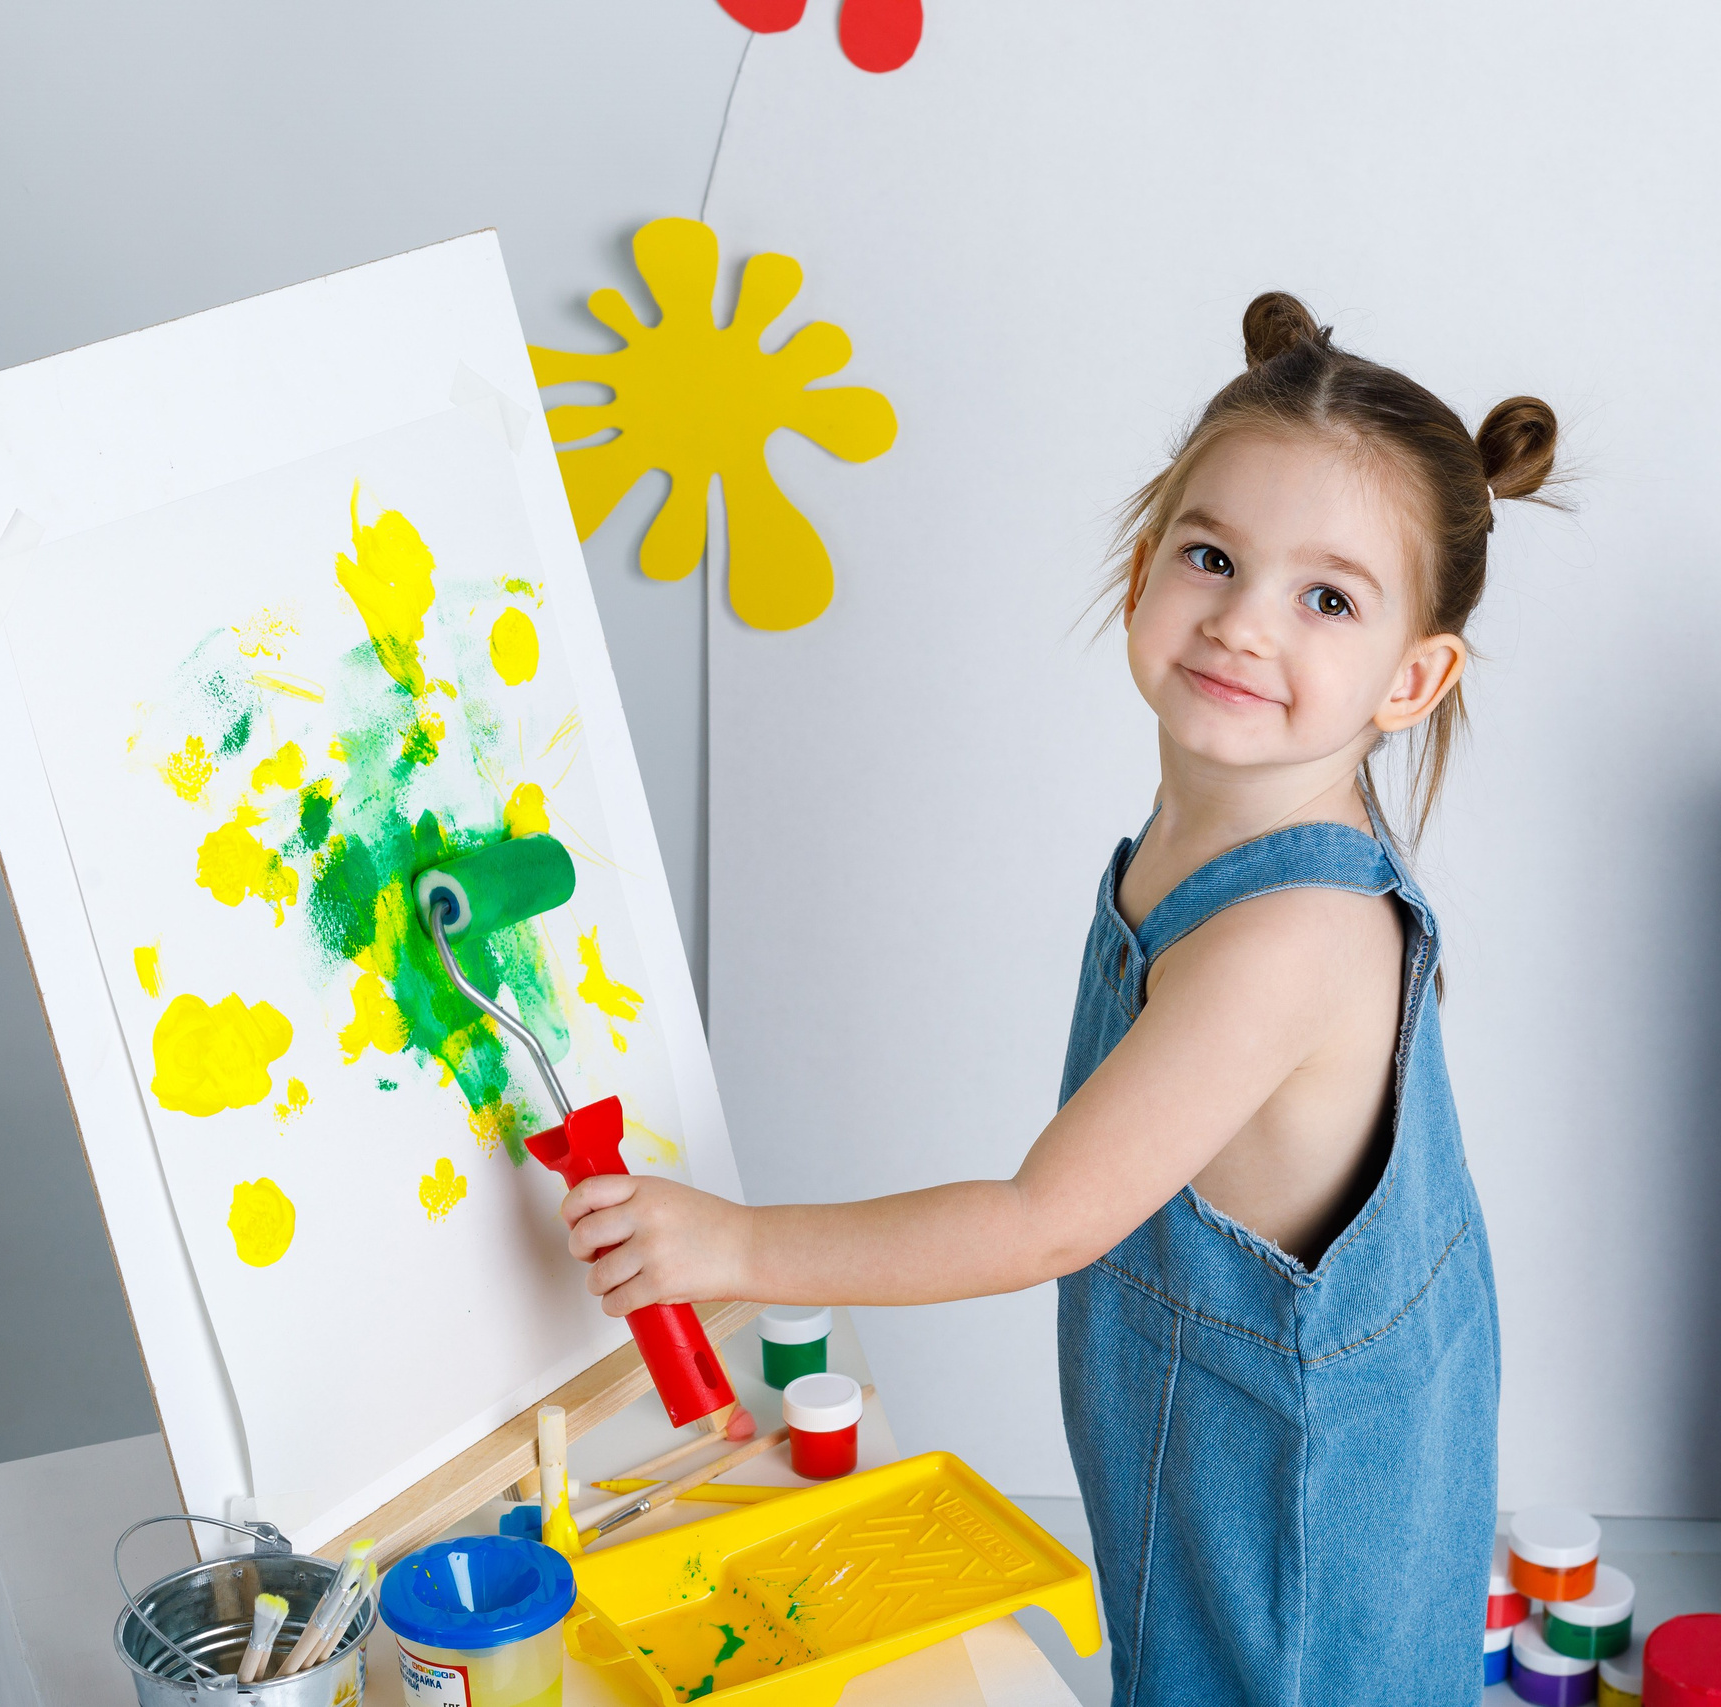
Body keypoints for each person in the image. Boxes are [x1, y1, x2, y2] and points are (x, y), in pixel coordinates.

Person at [560, 290, 1558, 1703]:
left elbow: (1044, 1221)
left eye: (1325, 597)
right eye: (1213, 557)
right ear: (1147, 565)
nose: (1244, 625)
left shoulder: (1293, 936)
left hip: (1306, 1510)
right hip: (1204, 1438)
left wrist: (733, 1247)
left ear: (1415, 678)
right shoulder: (1200, 836)